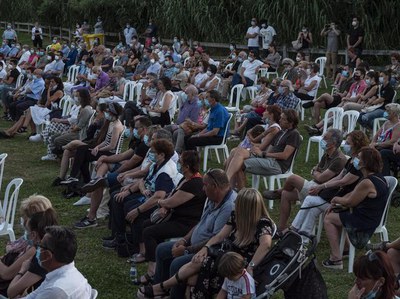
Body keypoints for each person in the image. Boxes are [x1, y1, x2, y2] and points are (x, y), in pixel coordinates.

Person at [138, 188, 274, 299]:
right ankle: (161, 288)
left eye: (238, 205)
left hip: (238, 261)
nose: (235, 206)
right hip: (226, 253)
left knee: (198, 269)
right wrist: (206, 248)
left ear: (245, 209)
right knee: (199, 260)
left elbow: (266, 245)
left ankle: (160, 288)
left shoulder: (262, 224)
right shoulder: (236, 216)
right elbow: (220, 235)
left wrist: (251, 266)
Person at [150, 169, 236, 298]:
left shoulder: (228, 206)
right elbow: (200, 223)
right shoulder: (212, 198)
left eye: (205, 185)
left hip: (207, 252)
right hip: (191, 245)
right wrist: (184, 240)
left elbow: (216, 239)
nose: (202, 189)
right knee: (162, 250)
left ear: (215, 187)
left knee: (177, 263)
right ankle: (159, 291)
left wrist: (186, 250)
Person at [138, 151, 207, 284]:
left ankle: (152, 271)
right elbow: (172, 195)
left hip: (186, 223)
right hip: (176, 216)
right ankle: (155, 264)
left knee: (149, 232)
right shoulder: (185, 179)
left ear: (187, 167)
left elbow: (170, 202)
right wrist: (165, 205)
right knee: (147, 224)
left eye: (180, 162)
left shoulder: (194, 184)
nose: (178, 164)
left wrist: (161, 203)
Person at [264, 129, 347, 232]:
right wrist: (316, 173)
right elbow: (316, 171)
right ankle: (281, 228)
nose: (322, 139)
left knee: (292, 178)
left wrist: (315, 173)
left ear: (333, 143)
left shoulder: (339, 159)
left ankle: (278, 192)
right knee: (286, 194)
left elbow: (320, 177)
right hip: (315, 185)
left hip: (322, 192)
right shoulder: (327, 154)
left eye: (325, 138)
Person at [290, 130, 369, 236]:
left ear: (357, 145)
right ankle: (303, 240)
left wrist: (321, 187)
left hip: (344, 201)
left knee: (309, 199)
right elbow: (340, 176)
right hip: (339, 195)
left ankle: (293, 229)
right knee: (312, 209)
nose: (345, 145)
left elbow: (342, 181)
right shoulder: (351, 160)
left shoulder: (357, 165)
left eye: (348, 143)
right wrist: (321, 187)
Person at [323, 147, 389, 269]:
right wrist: (338, 203)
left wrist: (335, 200)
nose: (355, 160)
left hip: (365, 221)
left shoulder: (367, 182)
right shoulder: (375, 177)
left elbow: (350, 202)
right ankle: (346, 249)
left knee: (329, 218)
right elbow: (353, 194)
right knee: (337, 213)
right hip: (369, 216)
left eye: (359, 158)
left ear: (365, 163)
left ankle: (336, 259)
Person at [60, 102, 124, 184]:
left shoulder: (116, 126)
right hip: (105, 150)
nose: (106, 113)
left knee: (82, 151)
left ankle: (76, 177)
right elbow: (106, 141)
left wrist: (99, 149)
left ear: (112, 113)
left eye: (108, 111)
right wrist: (97, 147)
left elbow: (112, 146)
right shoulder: (112, 123)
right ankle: (79, 178)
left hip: (110, 153)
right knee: (82, 151)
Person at [22, 226, 93, 298]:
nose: (38, 249)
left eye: (40, 246)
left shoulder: (55, 290)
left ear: (48, 255)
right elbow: (32, 296)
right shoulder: (67, 272)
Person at [226, 105, 282, 190]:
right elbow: (258, 141)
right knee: (234, 152)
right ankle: (230, 186)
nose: (263, 113)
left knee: (238, 157)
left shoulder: (274, 128)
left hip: (264, 155)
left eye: (265, 111)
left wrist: (251, 140)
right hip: (260, 152)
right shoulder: (269, 126)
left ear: (271, 115)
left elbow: (262, 148)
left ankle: (227, 182)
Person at [8, 209, 58, 298]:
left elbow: (11, 292)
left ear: (34, 234)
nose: (26, 235)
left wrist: (22, 271)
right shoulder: (59, 249)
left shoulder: (42, 259)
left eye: (27, 231)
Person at [244, 109, 301, 179]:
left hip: (277, 165)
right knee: (238, 154)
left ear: (291, 122)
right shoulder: (281, 132)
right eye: (280, 118)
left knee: (240, 163)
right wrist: (256, 152)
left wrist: (263, 154)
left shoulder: (294, 134)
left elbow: (285, 155)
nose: (280, 120)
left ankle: (237, 188)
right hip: (269, 160)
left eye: (283, 119)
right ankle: (236, 188)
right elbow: (269, 150)